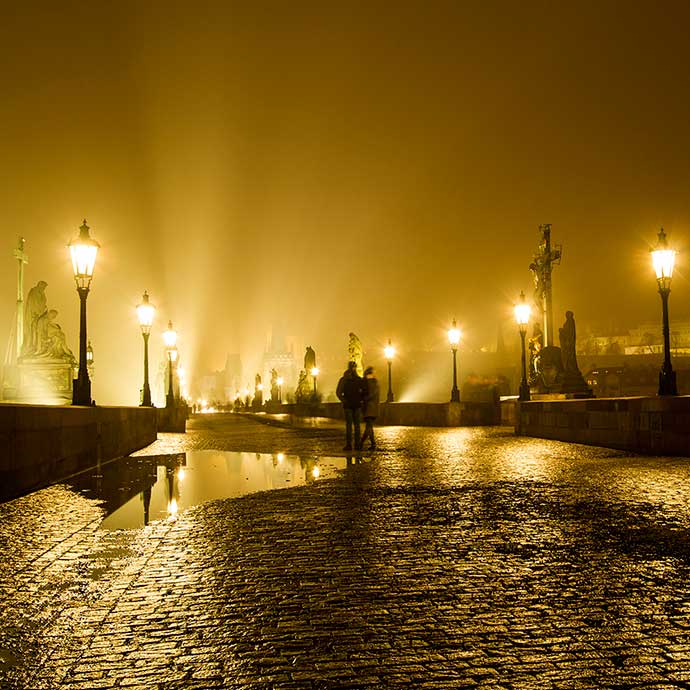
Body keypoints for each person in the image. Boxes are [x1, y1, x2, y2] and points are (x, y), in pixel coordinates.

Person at [336, 361, 364, 450]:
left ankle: (349, 445)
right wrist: (360, 399)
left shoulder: (344, 379)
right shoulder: (358, 379)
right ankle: (357, 444)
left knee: (349, 426)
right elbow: (364, 391)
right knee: (357, 426)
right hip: (356, 404)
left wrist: (344, 401)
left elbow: (339, 392)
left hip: (348, 405)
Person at [360, 366, 380, 451]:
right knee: (369, 426)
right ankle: (372, 443)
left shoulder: (368, 383)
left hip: (369, 406)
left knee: (369, 426)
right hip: (373, 406)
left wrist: (364, 399)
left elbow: (369, 395)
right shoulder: (375, 383)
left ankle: (362, 443)